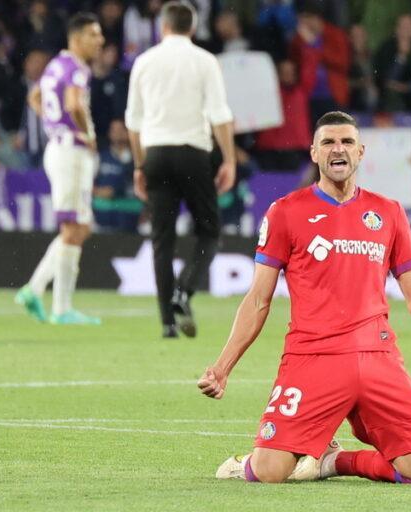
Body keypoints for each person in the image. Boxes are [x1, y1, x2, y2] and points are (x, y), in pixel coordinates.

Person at [197, 111, 411, 485]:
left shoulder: (388, 213)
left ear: (360, 151)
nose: (338, 149)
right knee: (270, 472)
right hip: (313, 357)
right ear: (314, 153)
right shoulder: (285, 212)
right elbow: (258, 299)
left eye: (347, 142)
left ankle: (334, 461)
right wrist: (223, 367)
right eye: (328, 142)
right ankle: (247, 464)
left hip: (377, 357)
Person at [125, 1, 235, 338]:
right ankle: (183, 293)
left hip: (156, 153)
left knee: (162, 239)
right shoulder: (205, 61)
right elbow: (219, 115)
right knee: (209, 231)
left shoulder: (144, 62)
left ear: (163, 26)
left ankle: (167, 324)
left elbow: (133, 123)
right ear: (193, 27)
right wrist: (229, 159)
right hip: (193, 154)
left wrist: (139, 165)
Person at [14, 12, 104, 325]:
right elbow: (74, 104)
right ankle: (59, 307)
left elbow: (35, 96)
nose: (100, 40)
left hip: (60, 148)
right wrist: (87, 134)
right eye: (94, 34)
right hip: (71, 152)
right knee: (73, 228)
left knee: (80, 226)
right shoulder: (76, 68)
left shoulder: (56, 64)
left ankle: (35, 290)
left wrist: (53, 125)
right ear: (77, 38)